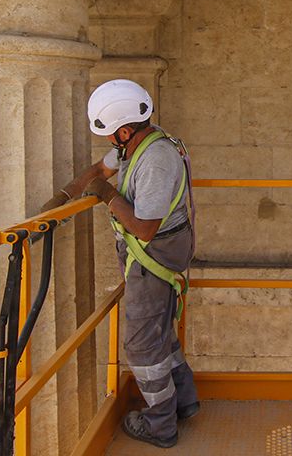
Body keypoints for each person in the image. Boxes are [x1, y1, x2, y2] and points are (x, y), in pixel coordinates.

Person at [40, 79, 199, 449]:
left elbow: (144, 229)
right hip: (162, 252)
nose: (112, 142)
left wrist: (108, 196)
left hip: (154, 256)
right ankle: (185, 401)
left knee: (142, 346)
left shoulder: (156, 160)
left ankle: (161, 425)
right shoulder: (141, 144)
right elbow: (98, 170)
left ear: (125, 130)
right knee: (160, 332)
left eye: (113, 135)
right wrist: (63, 198)